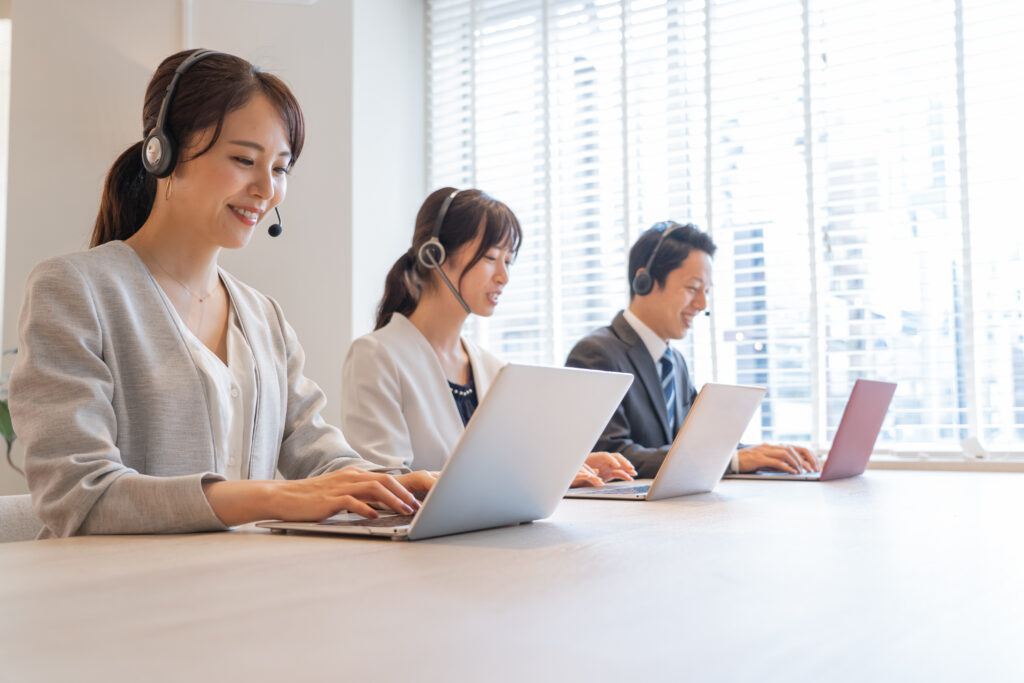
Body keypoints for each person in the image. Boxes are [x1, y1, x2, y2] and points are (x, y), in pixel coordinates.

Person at [9, 49, 434, 538]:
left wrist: (404, 486)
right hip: (113, 601)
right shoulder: (74, 291)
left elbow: (320, 457)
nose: (266, 189)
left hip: (237, 593)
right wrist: (275, 497)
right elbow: (80, 495)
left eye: (280, 169)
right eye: (244, 160)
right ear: (162, 152)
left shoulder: (263, 317)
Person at [340, 187, 635, 486]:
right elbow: (385, 484)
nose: (503, 277)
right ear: (434, 254)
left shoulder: (492, 367)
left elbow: (508, 466)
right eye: (491, 257)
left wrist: (565, 467)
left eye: (508, 261)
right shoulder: (377, 356)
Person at [565, 221, 821, 479]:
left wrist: (763, 453)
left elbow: (695, 444)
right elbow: (611, 455)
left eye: (706, 291)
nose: (701, 304)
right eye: (692, 288)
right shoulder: (595, 354)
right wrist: (731, 460)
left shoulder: (674, 362)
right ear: (645, 281)